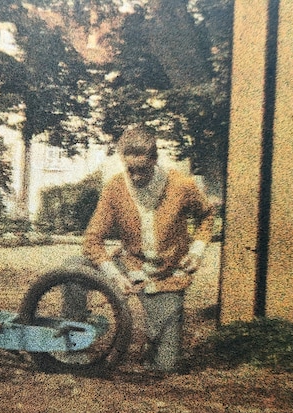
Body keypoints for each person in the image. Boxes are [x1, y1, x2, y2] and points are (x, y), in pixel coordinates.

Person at [72, 124, 214, 374]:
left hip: (166, 277)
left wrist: (197, 250)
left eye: (143, 170)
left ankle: (156, 340)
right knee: (73, 268)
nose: (135, 177)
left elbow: (206, 215)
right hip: (128, 266)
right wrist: (114, 276)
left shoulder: (181, 185)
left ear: (154, 160)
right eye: (130, 169)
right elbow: (92, 239)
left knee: (165, 366)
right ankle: (72, 342)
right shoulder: (115, 187)